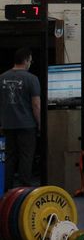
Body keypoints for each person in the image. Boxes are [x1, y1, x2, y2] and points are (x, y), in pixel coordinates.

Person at [0, 48, 41, 192]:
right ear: (26, 60)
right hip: (27, 125)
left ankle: (6, 192)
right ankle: (25, 191)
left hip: (7, 125)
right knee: (26, 157)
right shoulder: (32, 79)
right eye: (30, 60)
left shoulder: (1, 78)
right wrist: (40, 124)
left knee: (9, 158)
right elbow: (36, 105)